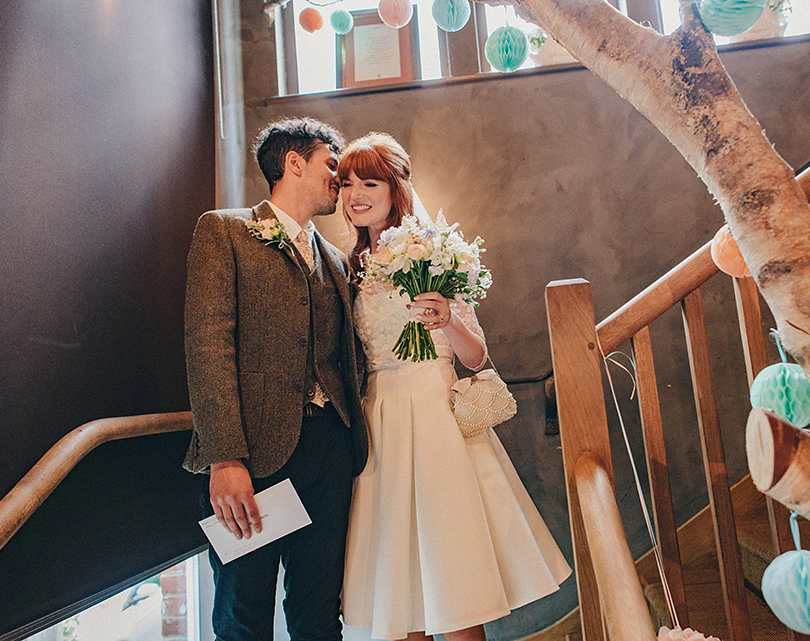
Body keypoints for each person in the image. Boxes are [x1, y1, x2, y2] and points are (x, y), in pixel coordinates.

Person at [337, 132, 572, 641]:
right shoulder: (349, 267)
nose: (355, 193)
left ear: (395, 188)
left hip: (437, 420)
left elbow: (476, 356)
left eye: (369, 182)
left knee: (455, 582)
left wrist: (446, 320)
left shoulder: (433, 254)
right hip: (381, 424)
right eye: (346, 183)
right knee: (400, 589)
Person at [182, 117, 369, 641]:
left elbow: (347, 358)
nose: (340, 178)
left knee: (317, 609)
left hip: (330, 454)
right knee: (244, 613)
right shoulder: (225, 231)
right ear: (294, 163)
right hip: (251, 456)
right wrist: (225, 457)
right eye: (331, 165)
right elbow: (208, 346)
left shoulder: (335, 259)